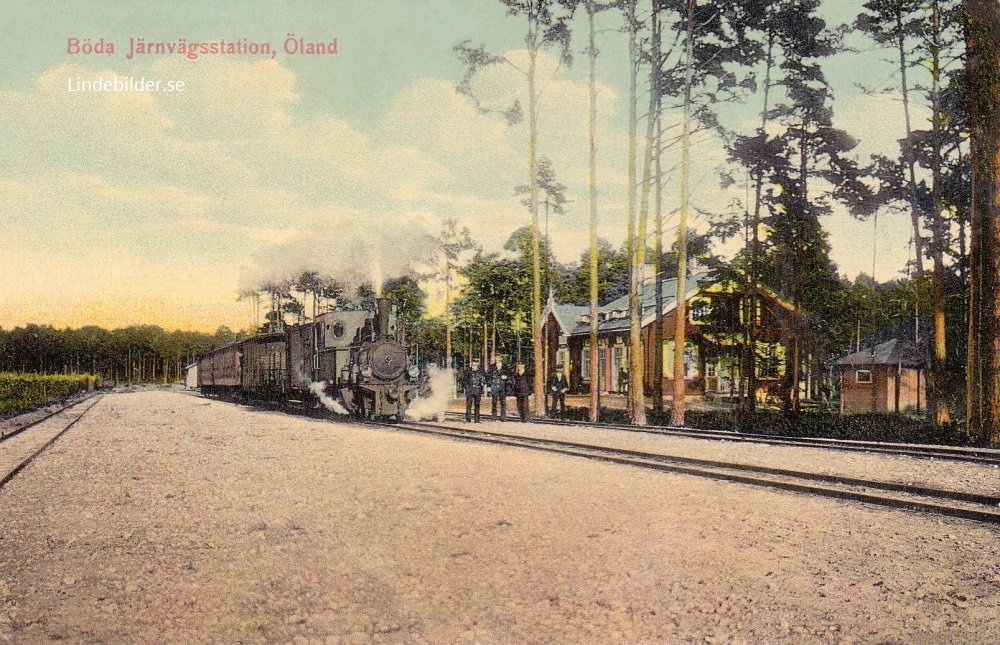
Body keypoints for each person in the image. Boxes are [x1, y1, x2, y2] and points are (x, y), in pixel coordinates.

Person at [464, 358, 487, 423]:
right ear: (472, 363)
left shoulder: (481, 371)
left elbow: (486, 377)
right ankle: (468, 419)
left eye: (476, 362)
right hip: (470, 390)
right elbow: (464, 380)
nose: (475, 363)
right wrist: (466, 387)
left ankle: (477, 420)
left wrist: (483, 383)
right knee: (469, 405)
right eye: (474, 362)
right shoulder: (467, 370)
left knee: (477, 405)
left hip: (478, 390)